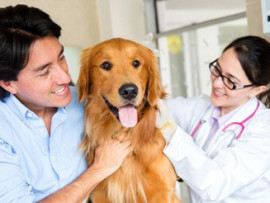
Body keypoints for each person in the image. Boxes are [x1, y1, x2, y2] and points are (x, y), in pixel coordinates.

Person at [0, 4, 131, 202]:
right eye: (45, 72)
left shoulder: (89, 101)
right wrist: (99, 169)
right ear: (9, 84)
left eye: (61, 58)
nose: (64, 77)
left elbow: (160, 115)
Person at [157, 35, 270, 202]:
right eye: (217, 69)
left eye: (231, 81)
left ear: (255, 91)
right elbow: (158, 108)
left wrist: (169, 130)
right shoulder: (202, 107)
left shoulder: (264, 131)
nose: (217, 83)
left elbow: (212, 184)